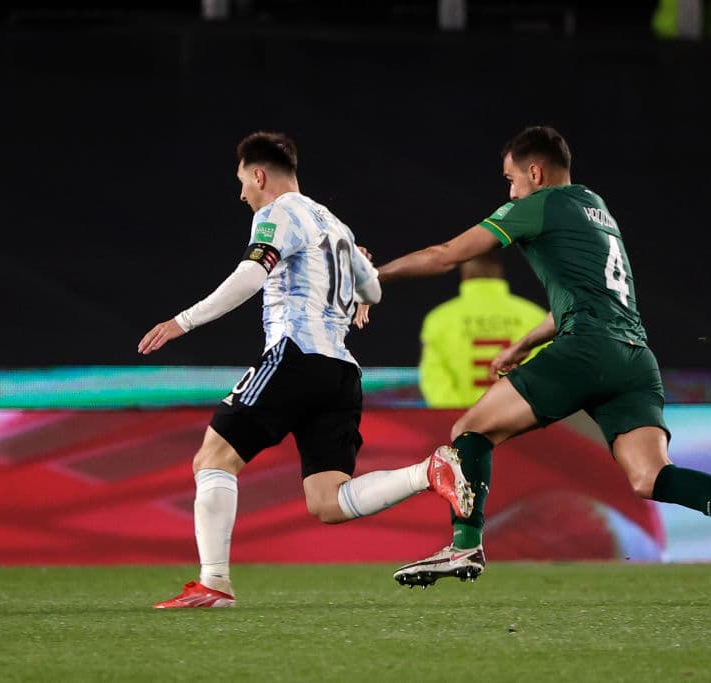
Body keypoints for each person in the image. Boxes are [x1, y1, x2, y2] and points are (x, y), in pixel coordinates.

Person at [364, 125, 711, 586]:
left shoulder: (536, 205)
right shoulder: (597, 208)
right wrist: (524, 343)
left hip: (587, 348)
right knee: (650, 476)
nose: (509, 189)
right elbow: (593, 296)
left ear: (534, 172)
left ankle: (463, 546)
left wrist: (374, 278)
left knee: (470, 431)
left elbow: (446, 255)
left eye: (510, 178)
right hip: (633, 357)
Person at [137, 131, 473, 608]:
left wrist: (182, 322)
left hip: (295, 354)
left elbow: (252, 275)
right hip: (340, 373)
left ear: (259, 174)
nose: (242, 194)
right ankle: (428, 472)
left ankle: (215, 583)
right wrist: (358, 288)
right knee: (327, 501)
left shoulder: (278, 213)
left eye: (242, 182)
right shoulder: (337, 225)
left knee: (213, 459)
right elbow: (373, 291)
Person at [418, 251, 547, 408]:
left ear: (464, 275)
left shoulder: (439, 319)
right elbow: (546, 374)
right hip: (521, 422)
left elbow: (434, 378)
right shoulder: (535, 315)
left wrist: (460, 418)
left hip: (461, 422)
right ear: (499, 273)